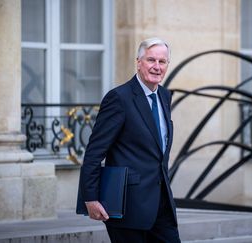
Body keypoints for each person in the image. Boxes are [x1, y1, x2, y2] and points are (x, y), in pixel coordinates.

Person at [76, 37, 181, 243]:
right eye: (151, 60)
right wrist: (90, 198)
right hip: (127, 207)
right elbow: (95, 152)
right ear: (138, 62)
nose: (157, 67)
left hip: (161, 205)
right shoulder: (119, 98)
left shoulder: (165, 96)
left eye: (162, 62)